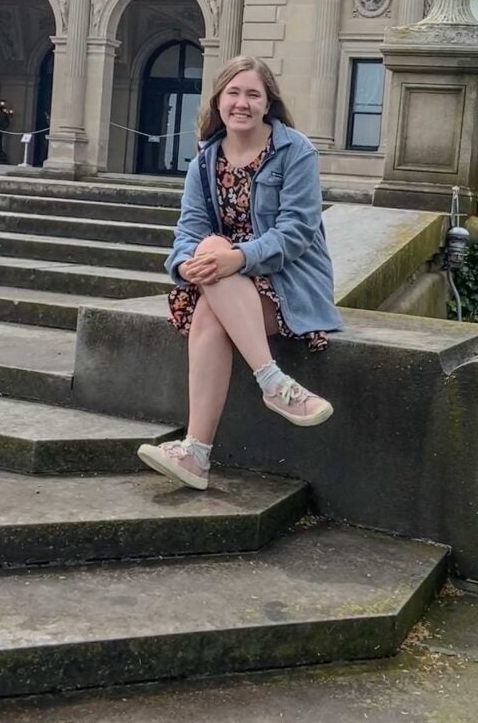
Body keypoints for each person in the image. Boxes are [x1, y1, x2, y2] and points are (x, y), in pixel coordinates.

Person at [137, 55, 341, 490]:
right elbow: (187, 233)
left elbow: (297, 232)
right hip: (226, 283)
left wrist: (238, 258)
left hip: (291, 281)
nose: (242, 103)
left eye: (253, 94)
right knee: (209, 253)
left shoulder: (295, 152)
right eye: (234, 93)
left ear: (268, 103)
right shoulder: (204, 162)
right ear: (218, 101)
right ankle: (272, 387)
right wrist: (185, 263)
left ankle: (197, 450)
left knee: (217, 264)